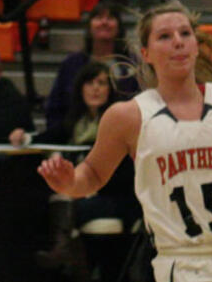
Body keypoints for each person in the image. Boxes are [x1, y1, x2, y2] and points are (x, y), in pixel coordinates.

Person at [38, 1, 212, 282]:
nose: (178, 42)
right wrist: (69, 183)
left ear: (196, 46)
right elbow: (92, 174)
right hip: (184, 263)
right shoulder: (128, 116)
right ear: (145, 54)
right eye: (164, 36)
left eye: (185, 34)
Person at [12, 60, 139, 281]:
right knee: (55, 196)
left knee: (68, 199)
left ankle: (64, 248)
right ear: (80, 87)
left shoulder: (117, 120)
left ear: (110, 89)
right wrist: (23, 137)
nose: (96, 88)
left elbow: (125, 176)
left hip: (116, 196)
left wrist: (89, 183)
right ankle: (66, 250)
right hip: (84, 193)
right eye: (90, 82)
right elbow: (45, 138)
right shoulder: (73, 122)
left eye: (102, 83)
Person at [44, 0, 139, 131]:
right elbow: (55, 107)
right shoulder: (71, 63)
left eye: (110, 18)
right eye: (98, 18)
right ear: (89, 26)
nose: (104, 22)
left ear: (119, 27)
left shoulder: (132, 64)